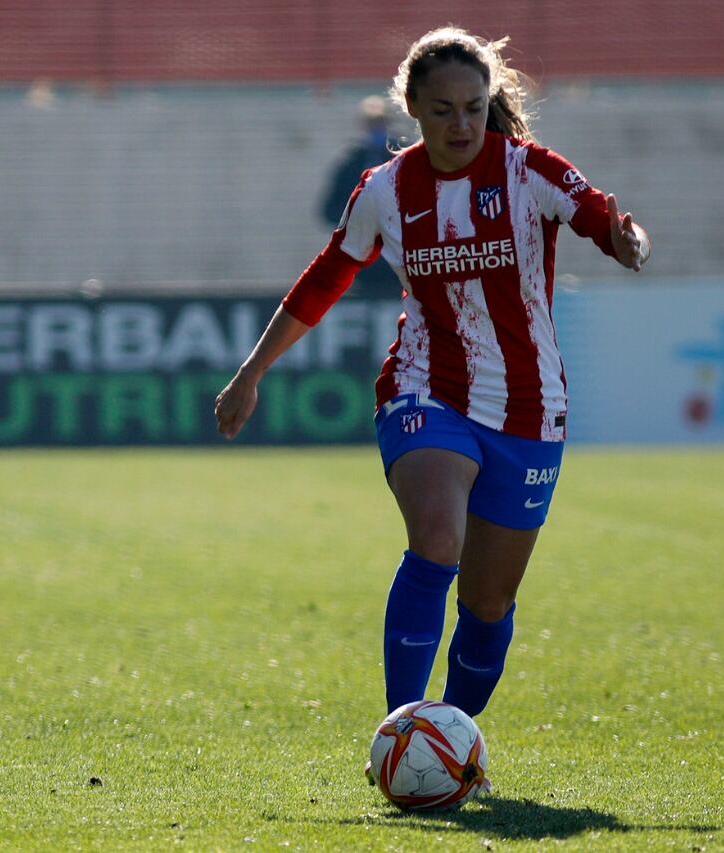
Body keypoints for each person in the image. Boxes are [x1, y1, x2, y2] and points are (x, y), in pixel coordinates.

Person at [215, 25, 649, 762]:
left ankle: (447, 736)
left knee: (487, 604)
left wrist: (624, 238)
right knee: (436, 540)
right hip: (424, 388)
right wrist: (251, 371)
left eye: (474, 108)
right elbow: (327, 277)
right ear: (410, 106)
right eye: (442, 109)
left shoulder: (526, 169)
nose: (460, 124)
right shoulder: (385, 191)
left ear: (490, 105)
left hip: (528, 407)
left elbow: (596, 213)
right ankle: (401, 735)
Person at [318, 95, 403, 299]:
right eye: (372, 123)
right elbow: (328, 210)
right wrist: (358, 217)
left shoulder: (404, 158)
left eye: (380, 122)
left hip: (401, 256)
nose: (377, 128)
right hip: (366, 261)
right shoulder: (350, 164)